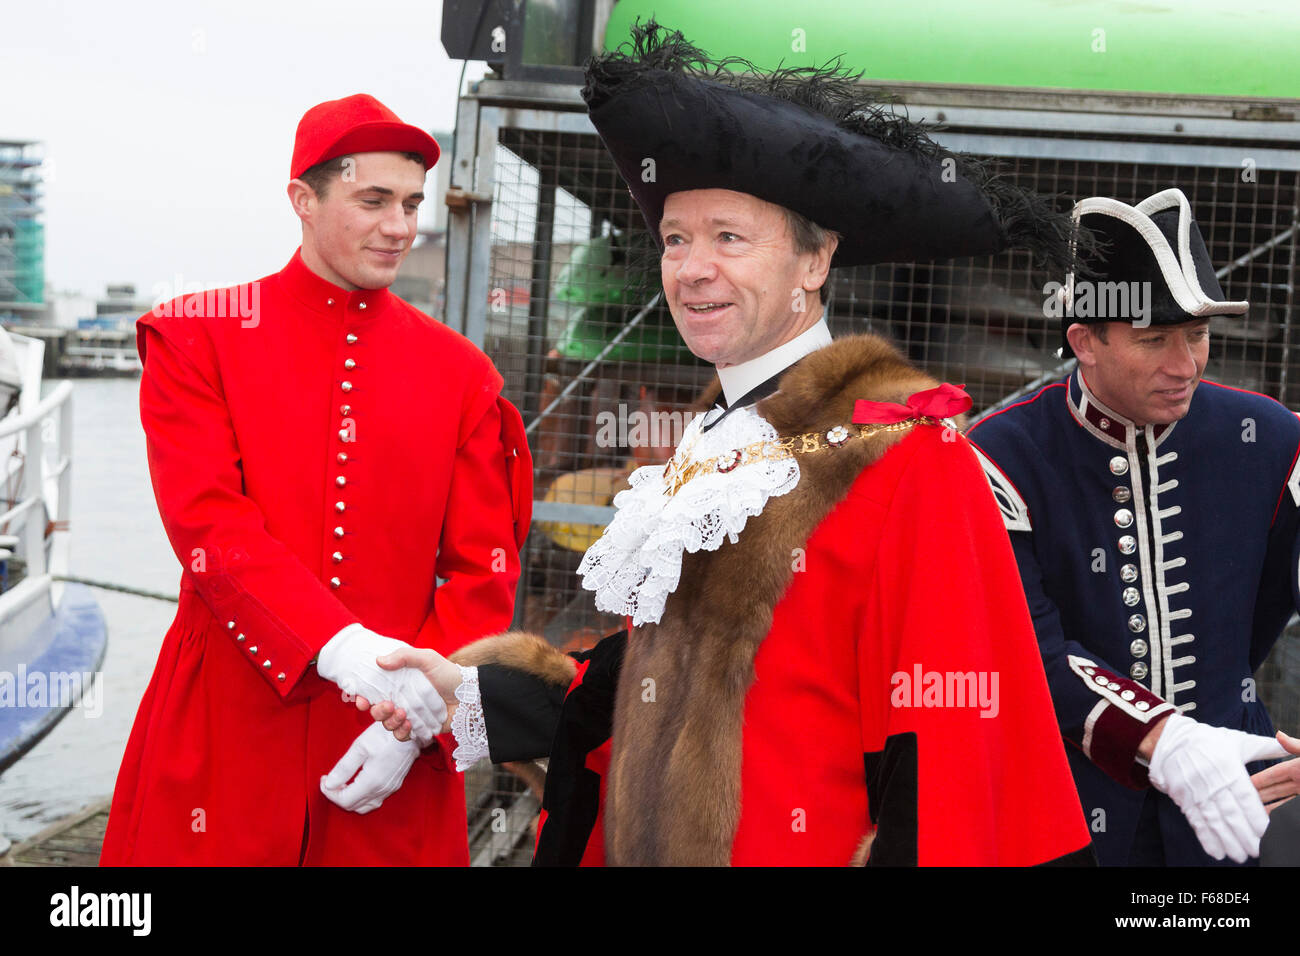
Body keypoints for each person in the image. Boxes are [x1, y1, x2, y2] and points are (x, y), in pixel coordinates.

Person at [347, 22, 1095, 866]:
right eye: (675, 239)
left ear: (815, 263)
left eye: (729, 238)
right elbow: (646, 694)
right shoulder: (710, 452)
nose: (692, 269)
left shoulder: (910, 459)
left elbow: (949, 763)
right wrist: (471, 694)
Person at [99, 94, 532, 866]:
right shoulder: (196, 336)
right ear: (303, 199)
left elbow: (482, 568)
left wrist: (419, 721)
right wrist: (335, 646)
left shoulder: (464, 376)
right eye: (373, 201)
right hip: (226, 721)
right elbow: (208, 525)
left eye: (410, 204)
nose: (400, 226)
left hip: (391, 730)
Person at [966, 188, 1300, 865]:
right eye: (1154, 340)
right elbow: (1022, 647)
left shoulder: (1269, 438)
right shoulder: (1002, 453)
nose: (1186, 366)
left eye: (1199, 335)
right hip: (1065, 816)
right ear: (1084, 341)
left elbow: (1270, 606)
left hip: (1243, 805)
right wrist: (1164, 737)